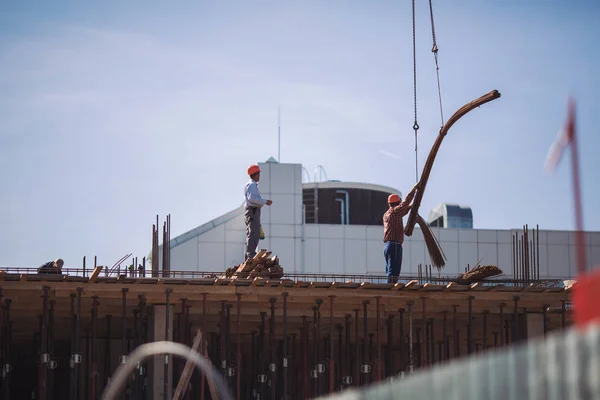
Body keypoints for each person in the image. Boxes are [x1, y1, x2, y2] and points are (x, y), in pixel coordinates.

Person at [383, 184, 418, 283]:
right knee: (394, 272)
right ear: (397, 203)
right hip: (394, 245)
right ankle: (390, 289)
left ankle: (389, 286)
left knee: (390, 271)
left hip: (387, 246)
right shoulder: (395, 212)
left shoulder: (386, 214)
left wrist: (410, 207)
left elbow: (402, 211)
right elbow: (405, 204)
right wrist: (414, 189)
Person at [244, 164, 273, 260]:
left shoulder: (251, 185)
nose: (259, 176)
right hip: (252, 211)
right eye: (258, 173)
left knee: (253, 233)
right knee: (253, 233)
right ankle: (251, 255)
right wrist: (265, 201)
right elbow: (252, 198)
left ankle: (250, 255)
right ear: (255, 174)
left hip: (253, 211)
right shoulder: (252, 185)